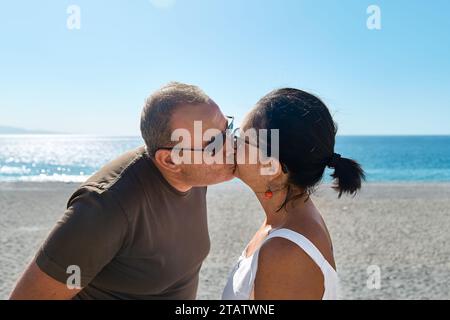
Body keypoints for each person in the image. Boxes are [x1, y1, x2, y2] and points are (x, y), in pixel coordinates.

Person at [10, 82, 235, 299]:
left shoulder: (195, 176)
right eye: (214, 143)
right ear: (170, 160)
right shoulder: (105, 207)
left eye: (228, 129)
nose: (230, 145)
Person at [222, 88, 365, 300]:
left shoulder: (285, 252)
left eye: (240, 139)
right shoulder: (285, 217)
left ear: (273, 168)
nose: (230, 143)